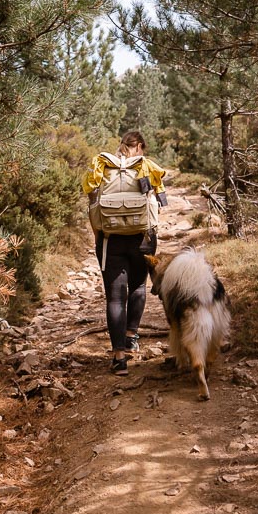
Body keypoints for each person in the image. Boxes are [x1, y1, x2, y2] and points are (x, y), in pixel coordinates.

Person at [82, 130, 168, 376]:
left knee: (115, 298)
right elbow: (158, 205)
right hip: (142, 238)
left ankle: (119, 358)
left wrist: (99, 236)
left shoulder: (101, 165)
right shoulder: (147, 166)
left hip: (111, 240)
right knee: (138, 287)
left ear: (122, 146)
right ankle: (131, 336)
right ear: (139, 146)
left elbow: (92, 202)